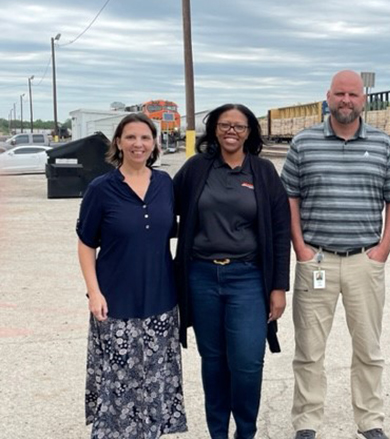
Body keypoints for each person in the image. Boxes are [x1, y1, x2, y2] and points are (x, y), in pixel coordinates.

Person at [281, 70, 390, 439]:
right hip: (315, 259)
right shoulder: (303, 143)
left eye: (352, 94)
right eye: (339, 94)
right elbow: (290, 199)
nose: (345, 100)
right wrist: (300, 248)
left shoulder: (384, 145)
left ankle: (370, 420)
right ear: (328, 97)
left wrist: (383, 250)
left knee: (368, 347)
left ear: (363, 100)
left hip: (364, 261)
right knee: (309, 349)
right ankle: (307, 421)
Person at [173, 103, 290, 439]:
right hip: (202, 276)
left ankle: (246, 432)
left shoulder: (263, 171)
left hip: (248, 278)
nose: (231, 132)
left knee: (248, 363)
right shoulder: (197, 168)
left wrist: (278, 286)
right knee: (213, 361)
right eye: (225, 125)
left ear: (249, 131)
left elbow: (280, 230)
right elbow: (164, 203)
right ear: (215, 129)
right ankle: (218, 433)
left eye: (239, 126)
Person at [76, 113, 187, 438]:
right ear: (119, 143)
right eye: (131, 137)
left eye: (145, 138)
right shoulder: (101, 189)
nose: (138, 144)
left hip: (161, 300)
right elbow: (85, 245)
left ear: (154, 144)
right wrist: (94, 293)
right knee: (118, 384)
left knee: (155, 381)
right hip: (115, 303)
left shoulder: (165, 183)